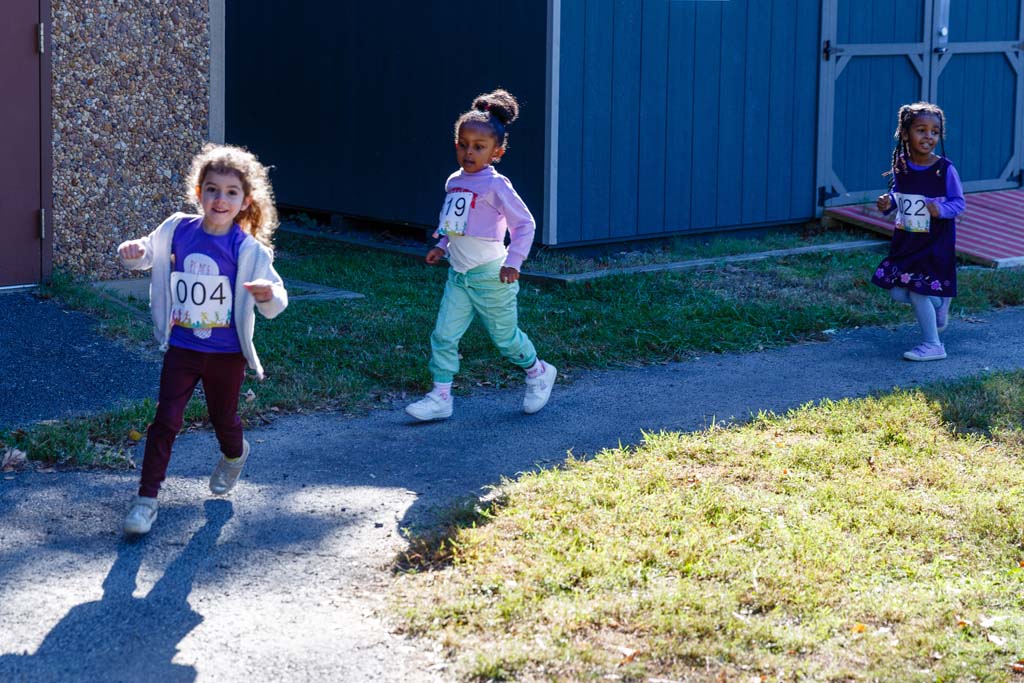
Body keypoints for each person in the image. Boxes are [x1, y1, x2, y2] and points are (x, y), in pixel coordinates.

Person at [117, 143, 288, 535]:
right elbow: (146, 253)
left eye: (231, 192)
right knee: (166, 419)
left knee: (222, 418)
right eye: (212, 189)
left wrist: (267, 295)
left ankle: (234, 453)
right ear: (199, 193)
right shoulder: (178, 228)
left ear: (245, 201)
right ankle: (146, 500)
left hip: (226, 354)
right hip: (183, 347)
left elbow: (278, 298)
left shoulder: (248, 249)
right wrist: (133, 251)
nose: (220, 199)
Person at [405, 88, 556, 421]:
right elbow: (453, 222)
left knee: (505, 339)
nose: (468, 153)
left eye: (478, 147)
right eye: (463, 144)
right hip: (459, 275)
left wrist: (513, 262)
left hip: (491, 274)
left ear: (497, 152)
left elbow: (525, 225)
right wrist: (440, 245)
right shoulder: (453, 182)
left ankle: (538, 371)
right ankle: (440, 396)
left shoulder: (496, 185)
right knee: (444, 334)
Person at [871, 101, 965, 361]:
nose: (928, 137)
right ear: (905, 134)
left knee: (917, 290)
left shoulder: (944, 169)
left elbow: (959, 203)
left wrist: (940, 209)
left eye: (934, 132)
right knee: (897, 291)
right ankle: (940, 303)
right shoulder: (901, 165)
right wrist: (887, 202)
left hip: (935, 242)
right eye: (921, 130)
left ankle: (933, 344)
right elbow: (898, 195)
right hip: (907, 240)